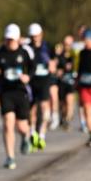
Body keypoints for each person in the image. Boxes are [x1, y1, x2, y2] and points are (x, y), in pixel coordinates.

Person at [0, 24, 34, 169]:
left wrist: (28, 77)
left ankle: (26, 137)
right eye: (8, 39)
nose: (10, 42)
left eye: (12, 40)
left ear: (18, 39)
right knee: (8, 124)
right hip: (6, 92)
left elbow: (32, 69)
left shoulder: (25, 52)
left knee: (22, 126)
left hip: (20, 92)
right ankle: (10, 157)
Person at [25, 23, 54, 152]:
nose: (34, 38)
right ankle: (32, 134)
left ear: (41, 35)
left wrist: (52, 65)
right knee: (32, 110)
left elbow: (54, 61)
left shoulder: (47, 47)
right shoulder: (26, 49)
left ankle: (42, 135)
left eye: (36, 36)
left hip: (44, 81)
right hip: (31, 82)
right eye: (32, 36)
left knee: (44, 108)